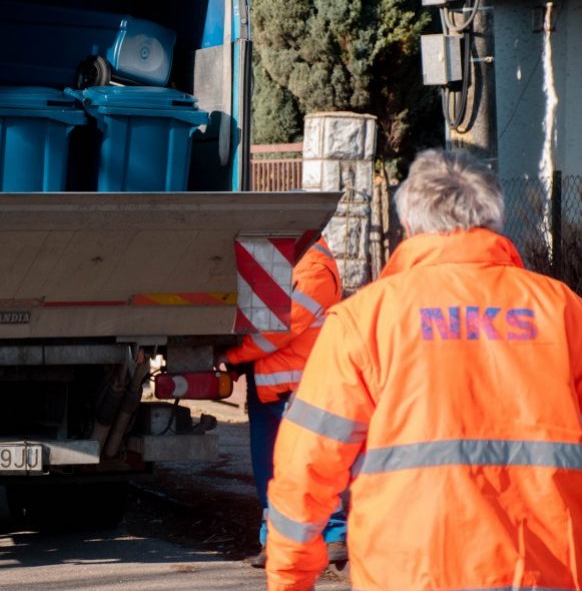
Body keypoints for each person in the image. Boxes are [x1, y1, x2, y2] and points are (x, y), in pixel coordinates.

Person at [265, 149, 582, 590]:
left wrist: (288, 580)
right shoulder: (562, 310)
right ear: (492, 221)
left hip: (409, 571)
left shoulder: (365, 320)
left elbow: (306, 469)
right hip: (542, 571)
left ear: (409, 227)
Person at [219, 235, 347, 568]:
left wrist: (233, 356)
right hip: (269, 385)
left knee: (305, 463)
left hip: (298, 385)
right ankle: (276, 541)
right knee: (271, 469)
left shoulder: (316, 267)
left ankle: (334, 534)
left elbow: (281, 328)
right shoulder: (288, 259)